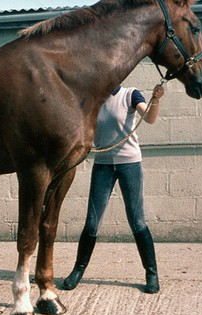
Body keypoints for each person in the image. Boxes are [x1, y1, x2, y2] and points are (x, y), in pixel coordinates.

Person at [63, 84, 165, 293]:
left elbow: (150, 118)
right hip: (103, 165)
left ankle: (151, 273)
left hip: (130, 164)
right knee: (92, 223)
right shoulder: (94, 96)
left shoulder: (130, 94)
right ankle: (78, 270)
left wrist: (155, 100)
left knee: (137, 221)